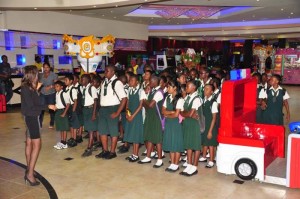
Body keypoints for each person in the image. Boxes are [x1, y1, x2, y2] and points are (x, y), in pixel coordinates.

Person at [95, 65, 127, 159]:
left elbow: (124, 99)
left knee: (113, 131)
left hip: (112, 108)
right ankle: (105, 150)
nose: (105, 73)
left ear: (113, 72)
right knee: (102, 130)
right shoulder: (104, 82)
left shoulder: (117, 83)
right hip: (103, 109)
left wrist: (117, 112)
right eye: (105, 71)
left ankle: (112, 152)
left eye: (107, 71)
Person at [21, 65, 45, 186]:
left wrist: (36, 89)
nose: (38, 76)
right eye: (36, 74)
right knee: (37, 145)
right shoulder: (27, 88)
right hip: (31, 118)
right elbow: (32, 106)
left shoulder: (27, 87)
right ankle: (30, 174)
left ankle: (29, 168)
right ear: (32, 75)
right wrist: (48, 107)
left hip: (29, 117)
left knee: (29, 143)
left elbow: (32, 101)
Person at [138, 75, 164, 168]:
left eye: (150, 81)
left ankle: (160, 159)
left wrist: (144, 99)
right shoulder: (152, 91)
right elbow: (146, 105)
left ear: (154, 82)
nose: (148, 83)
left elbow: (150, 105)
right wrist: (145, 100)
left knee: (157, 139)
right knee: (149, 136)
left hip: (156, 117)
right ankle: (148, 157)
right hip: (150, 116)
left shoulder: (159, 92)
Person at [180, 80, 203, 176]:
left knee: (196, 145)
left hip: (195, 125)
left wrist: (187, 114)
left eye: (188, 86)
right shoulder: (187, 98)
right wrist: (187, 114)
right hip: (188, 123)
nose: (186, 88)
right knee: (189, 144)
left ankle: (195, 166)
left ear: (194, 87)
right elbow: (181, 112)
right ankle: (189, 164)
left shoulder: (197, 99)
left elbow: (190, 113)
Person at [162, 80, 184, 172]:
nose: (167, 89)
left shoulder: (180, 99)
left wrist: (168, 114)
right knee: (171, 142)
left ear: (175, 88)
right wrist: (170, 112)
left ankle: (176, 164)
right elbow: (163, 111)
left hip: (176, 124)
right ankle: (172, 163)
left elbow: (177, 115)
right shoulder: (167, 97)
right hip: (169, 123)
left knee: (176, 143)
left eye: (169, 87)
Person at [124, 74, 144, 162]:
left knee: (136, 136)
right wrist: (127, 112)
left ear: (137, 82)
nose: (130, 82)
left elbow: (140, 105)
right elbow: (127, 102)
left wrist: (133, 115)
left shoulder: (141, 91)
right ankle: (133, 154)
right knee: (131, 133)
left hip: (137, 115)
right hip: (130, 114)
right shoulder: (129, 90)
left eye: (132, 81)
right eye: (129, 80)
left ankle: (136, 155)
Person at [199, 84, 219, 168]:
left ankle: (211, 160)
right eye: (204, 89)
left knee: (210, 144)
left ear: (211, 92)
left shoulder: (213, 103)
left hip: (211, 125)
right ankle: (204, 156)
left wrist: (210, 131)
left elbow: (214, 118)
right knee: (205, 142)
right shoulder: (203, 100)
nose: (205, 90)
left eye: (207, 89)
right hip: (204, 124)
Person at [49, 80, 70, 150]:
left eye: (57, 86)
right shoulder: (57, 94)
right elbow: (58, 103)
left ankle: (64, 143)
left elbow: (68, 104)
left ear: (61, 87)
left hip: (63, 111)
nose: (56, 88)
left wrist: (64, 113)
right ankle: (62, 141)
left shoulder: (64, 93)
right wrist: (54, 107)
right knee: (61, 127)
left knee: (64, 128)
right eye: (55, 87)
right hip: (58, 111)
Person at [81, 74, 98, 157]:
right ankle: (92, 144)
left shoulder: (92, 88)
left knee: (91, 130)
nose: (82, 81)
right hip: (85, 110)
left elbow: (95, 101)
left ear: (88, 80)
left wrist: (94, 113)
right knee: (88, 129)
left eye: (83, 79)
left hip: (91, 109)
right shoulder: (84, 88)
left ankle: (89, 148)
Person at [39, 63, 58, 128]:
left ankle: (52, 123)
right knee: (41, 108)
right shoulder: (41, 75)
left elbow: (56, 84)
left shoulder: (54, 75)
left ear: (49, 68)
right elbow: (39, 84)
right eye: (44, 67)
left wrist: (50, 86)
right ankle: (40, 123)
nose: (46, 69)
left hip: (51, 93)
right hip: (42, 93)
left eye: (47, 67)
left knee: (51, 109)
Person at [64, 75, 79, 147]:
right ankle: (72, 137)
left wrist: (73, 110)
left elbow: (75, 101)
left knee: (74, 124)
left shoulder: (73, 89)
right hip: (68, 107)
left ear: (71, 81)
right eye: (65, 80)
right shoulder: (66, 89)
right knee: (71, 124)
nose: (65, 81)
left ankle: (75, 139)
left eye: (66, 80)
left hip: (73, 107)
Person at [73, 74, 84, 143]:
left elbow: (83, 95)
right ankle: (76, 134)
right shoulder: (72, 87)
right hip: (75, 106)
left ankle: (79, 135)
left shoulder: (80, 87)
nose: (73, 80)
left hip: (79, 106)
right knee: (76, 120)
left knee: (80, 121)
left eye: (74, 79)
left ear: (77, 80)